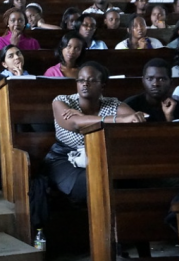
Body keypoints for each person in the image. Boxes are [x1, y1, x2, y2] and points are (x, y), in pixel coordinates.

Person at [45, 62, 146, 204]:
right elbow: (75, 123)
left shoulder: (112, 104)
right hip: (65, 159)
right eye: (81, 80)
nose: (85, 84)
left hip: (100, 158)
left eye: (92, 80)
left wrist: (129, 118)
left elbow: (136, 120)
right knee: (96, 183)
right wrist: (120, 119)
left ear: (103, 85)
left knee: (128, 179)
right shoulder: (62, 101)